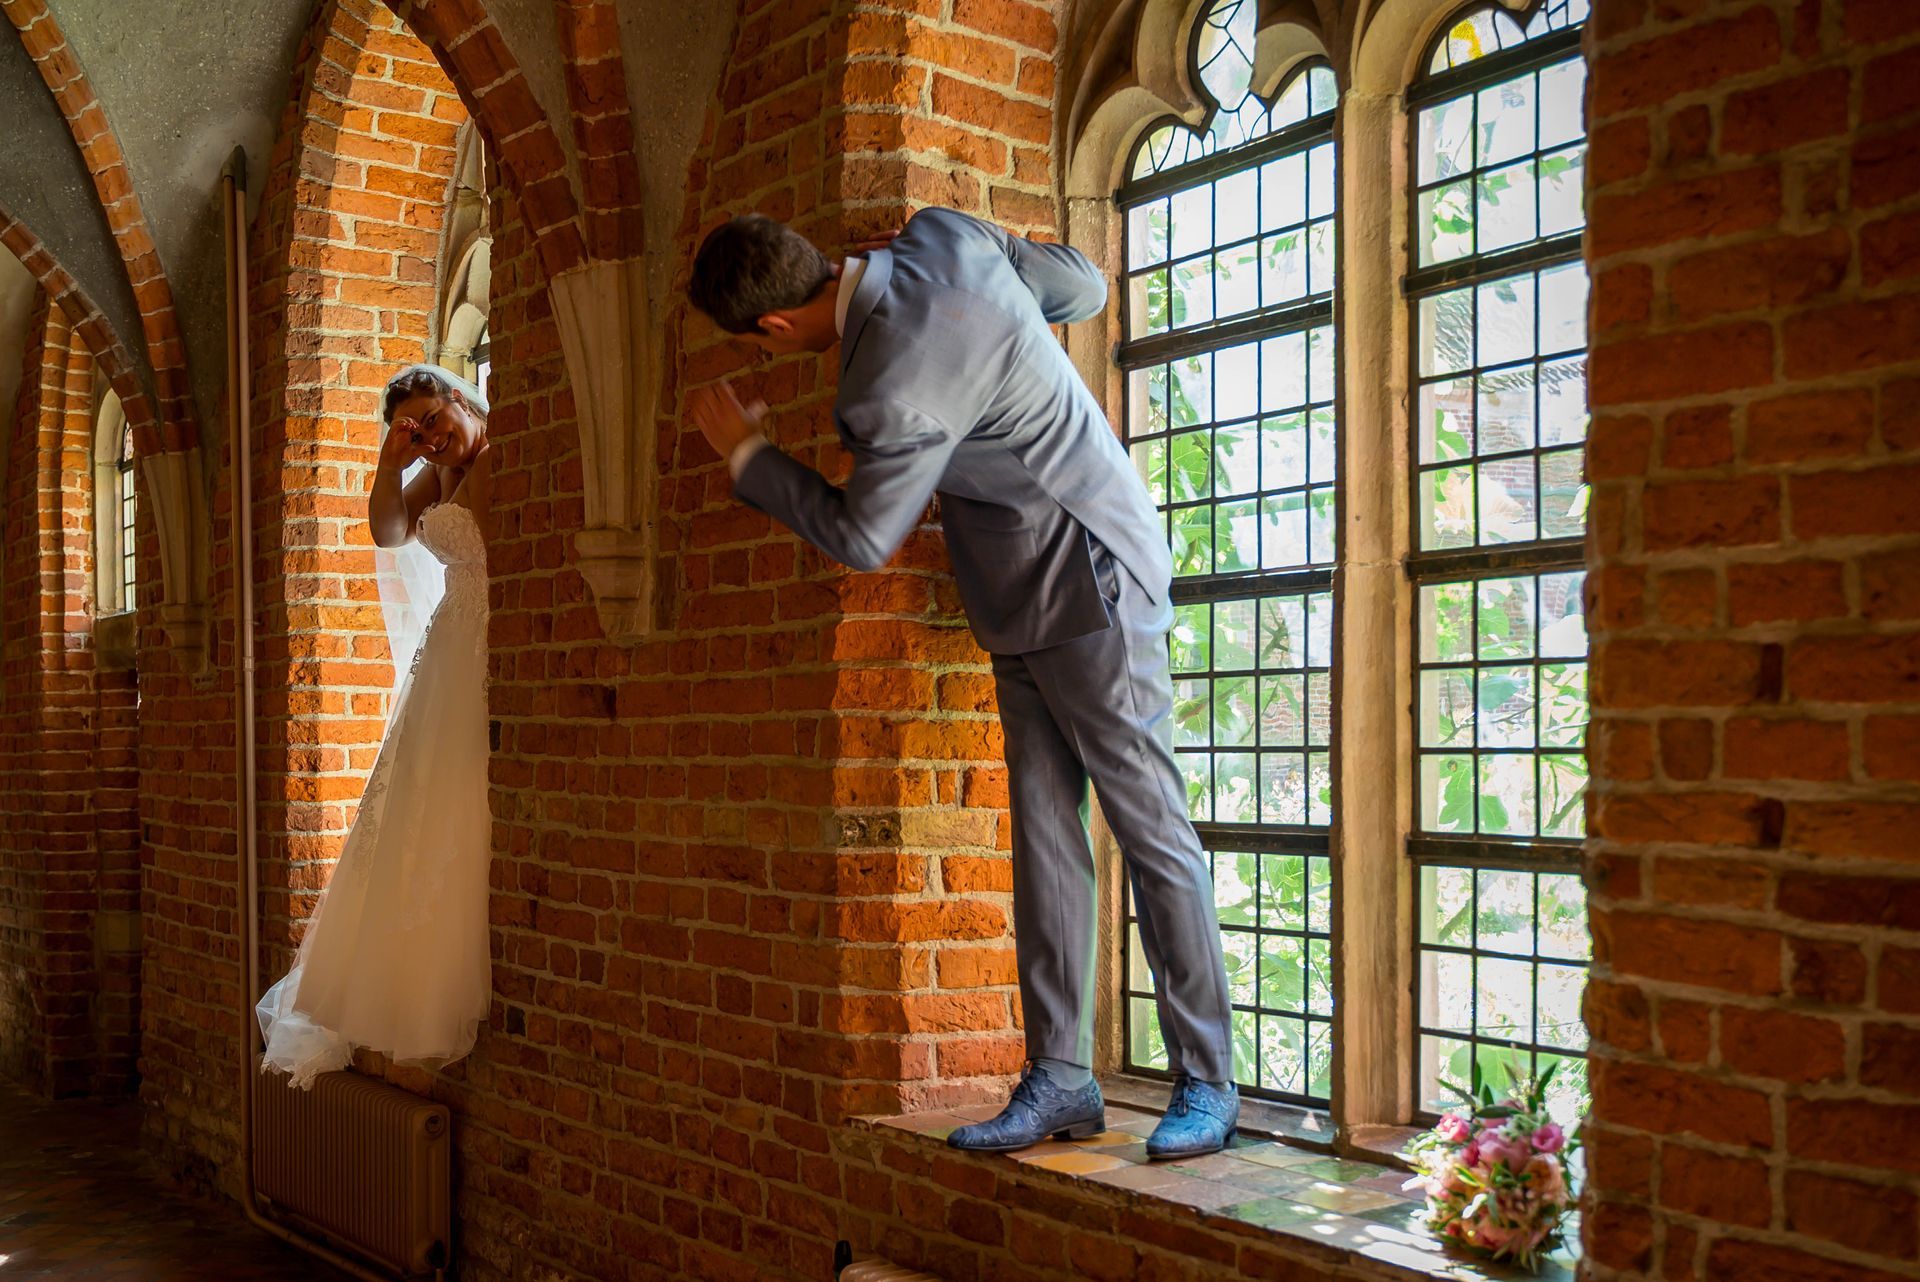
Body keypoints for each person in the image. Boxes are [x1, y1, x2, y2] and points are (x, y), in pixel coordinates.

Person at [684, 209, 1239, 1158]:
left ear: (771, 329)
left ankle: (1207, 1080)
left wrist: (749, 456)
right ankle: (1061, 1080)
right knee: (1045, 840)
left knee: (1151, 827)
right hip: (1021, 593)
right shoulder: (945, 235)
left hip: (1095, 573)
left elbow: (862, 537)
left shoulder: (886, 386)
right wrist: (1010, 273)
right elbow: (1085, 290)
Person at [255, 364, 494, 1088]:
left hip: (488, 639)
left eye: (433, 420)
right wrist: (392, 464)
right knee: (419, 803)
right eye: (415, 433)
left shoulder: (505, 448)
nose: (431, 437)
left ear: (460, 397)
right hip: (452, 644)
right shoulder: (439, 468)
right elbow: (388, 531)